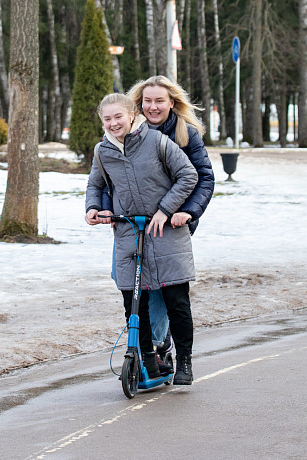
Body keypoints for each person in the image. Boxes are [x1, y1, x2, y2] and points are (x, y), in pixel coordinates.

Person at [85, 93, 199, 385]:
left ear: (132, 115)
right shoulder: (102, 151)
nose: (113, 124)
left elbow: (189, 175)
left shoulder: (158, 142)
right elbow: (96, 184)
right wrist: (94, 209)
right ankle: (146, 360)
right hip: (128, 234)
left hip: (166, 233)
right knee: (134, 302)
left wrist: (166, 210)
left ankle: (184, 361)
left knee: (176, 300)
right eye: (107, 119)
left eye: (118, 117)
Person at [126, 75, 215, 367]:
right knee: (135, 281)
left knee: (164, 285)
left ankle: (158, 342)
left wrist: (188, 212)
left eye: (159, 101)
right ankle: (151, 341)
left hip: (173, 222)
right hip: (136, 222)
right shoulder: (128, 132)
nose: (153, 107)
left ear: (172, 102)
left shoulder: (185, 133)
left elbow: (203, 178)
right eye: (147, 101)